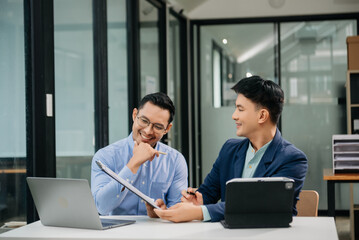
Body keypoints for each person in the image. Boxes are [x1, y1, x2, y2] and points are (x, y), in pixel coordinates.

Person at [153, 76, 308, 223]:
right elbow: (208, 192)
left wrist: (200, 212)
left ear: (262, 115)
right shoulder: (230, 149)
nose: (234, 116)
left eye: (240, 109)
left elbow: (261, 206)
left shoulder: (292, 159)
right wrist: (196, 201)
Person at [91, 92, 188, 216]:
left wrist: (164, 213)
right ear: (134, 115)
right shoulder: (105, 156)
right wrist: (133, 164)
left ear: (167, 129)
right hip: (116, 234)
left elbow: (177, 212)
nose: (148, 131)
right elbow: (101, 207)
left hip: (158, 233)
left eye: (157, 126)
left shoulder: (175, 161)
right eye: (144, 120)